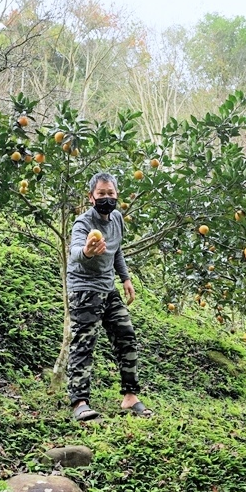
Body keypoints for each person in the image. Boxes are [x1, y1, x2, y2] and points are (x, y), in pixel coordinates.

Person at [65, 172, 154, 421]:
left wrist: (125, 279)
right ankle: (80, 402)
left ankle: (130, 396)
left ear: (116, 196)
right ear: (91, 197)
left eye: (110, 193)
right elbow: (75, 253)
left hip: (108, 287)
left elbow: (116, 251)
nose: (106, 198)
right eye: (101, 194)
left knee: (126, 335)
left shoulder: (116, 219)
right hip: (83, 287)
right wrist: (87, 251)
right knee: (84, 342)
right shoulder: (83, 223)